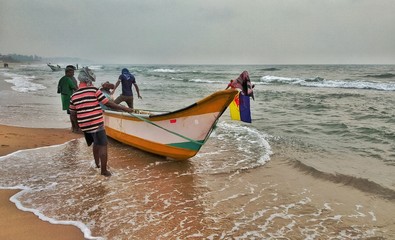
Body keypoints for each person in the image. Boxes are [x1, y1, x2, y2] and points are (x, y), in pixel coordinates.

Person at [69, 67, 134, 177]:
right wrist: (124, 109)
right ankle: (104, 171)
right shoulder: (94, 90)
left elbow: (72, 113)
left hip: (84, 125)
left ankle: (97, 164)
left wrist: (77, 128)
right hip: (96, 123)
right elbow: (108, 103)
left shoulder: (74, 95)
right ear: (89, 80)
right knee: (103, 145)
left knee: (95, 143)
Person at [57, 65, 79, 133]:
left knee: (70, 113)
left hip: (64, 98)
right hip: (70, 98)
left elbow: (58, 90)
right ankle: (75, 128)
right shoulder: (69, 79)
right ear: (68, 72)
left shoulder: (61, 79)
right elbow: (75, 88)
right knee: (73, 113)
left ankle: (73, 127)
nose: (73, 74)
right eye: (72, 72)